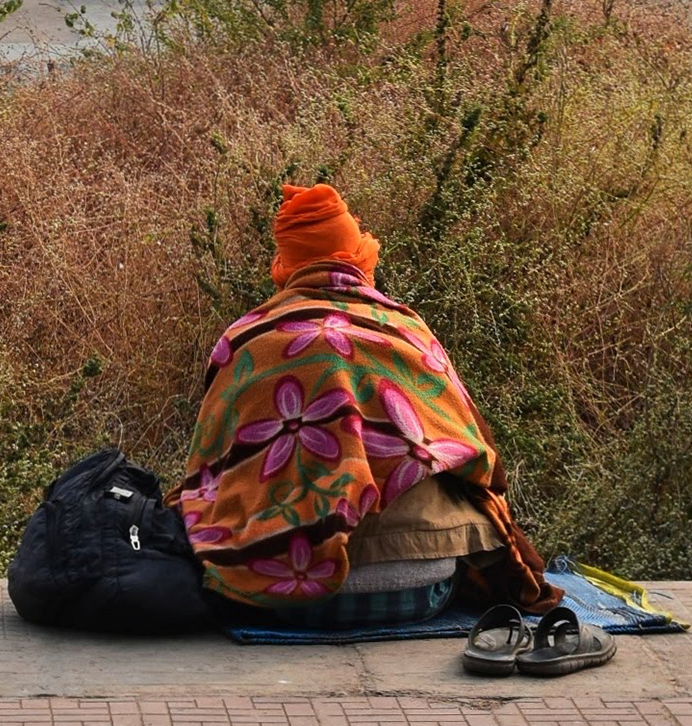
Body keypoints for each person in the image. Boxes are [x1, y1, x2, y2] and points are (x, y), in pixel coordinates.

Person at [175, 181, 614, 674]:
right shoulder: (405, 330)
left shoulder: (245, 341)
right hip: (420, 588)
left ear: (286, 265)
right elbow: (479, 459)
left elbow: (210, 475)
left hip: (277, 598)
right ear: (356, 258)